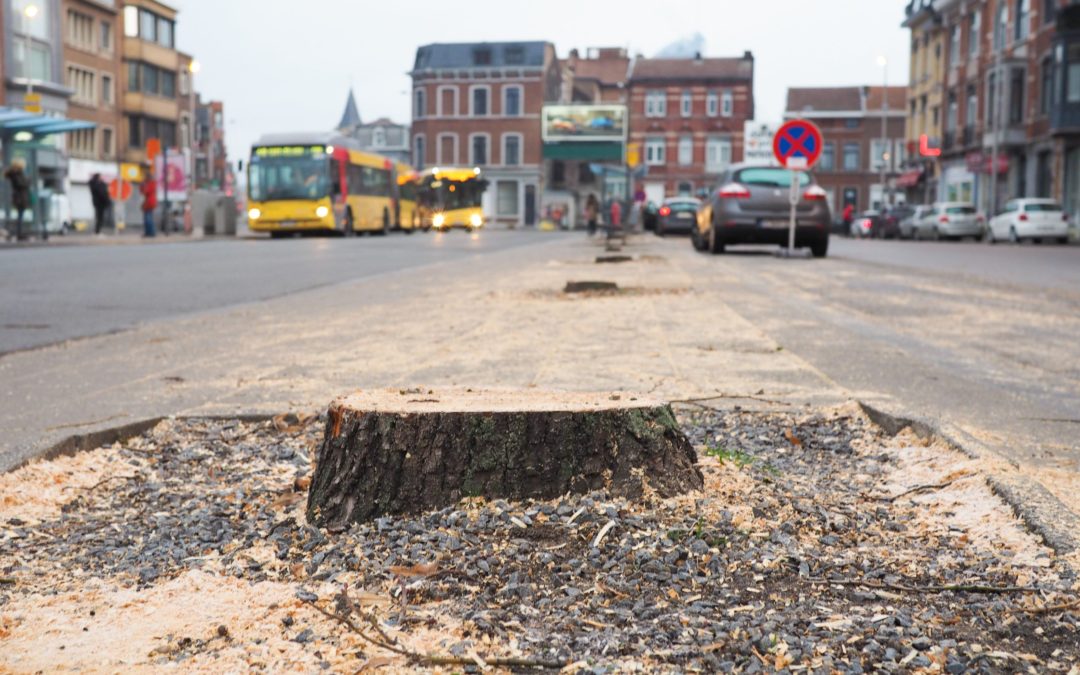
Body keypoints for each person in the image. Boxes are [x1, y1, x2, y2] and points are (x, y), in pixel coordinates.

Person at [4, 159, 31, 241]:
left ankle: (13, 233)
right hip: (20, 198)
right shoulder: (17, 174)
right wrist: (28, 181)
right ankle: (16, 234)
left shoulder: (15, 174)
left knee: (19, 216)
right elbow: (21, 184)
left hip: (19, 197)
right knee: (19, 217)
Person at [140, 166, 158, 238]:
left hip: (150, 202)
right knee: (146, 218)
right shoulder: (147, 183)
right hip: (147, 202)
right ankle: (148, 232)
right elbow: (142, 191)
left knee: (148, 218)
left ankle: (151, 232)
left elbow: (146, 191)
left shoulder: (151, 183)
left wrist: (144, 186)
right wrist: (142, 185)